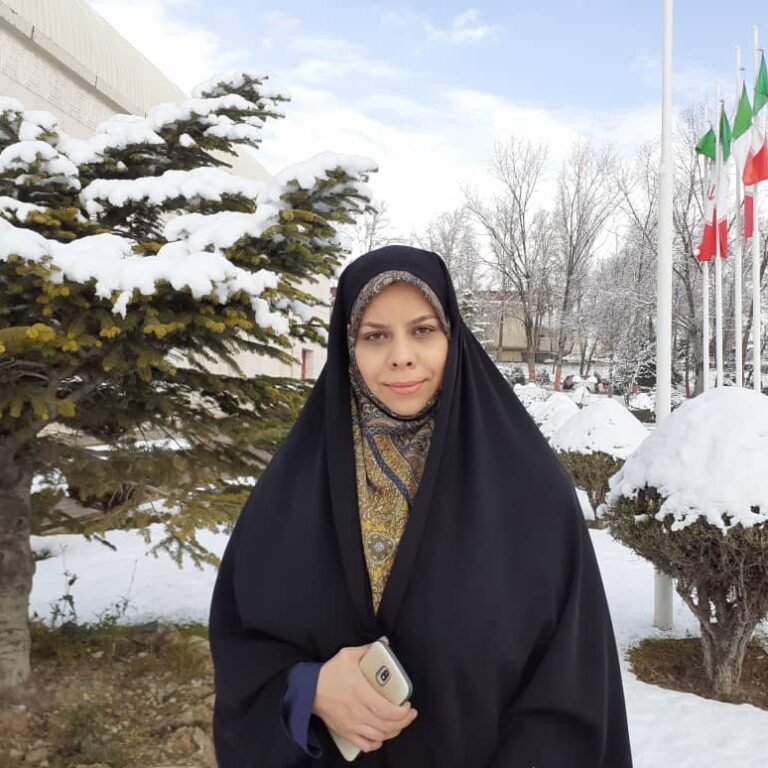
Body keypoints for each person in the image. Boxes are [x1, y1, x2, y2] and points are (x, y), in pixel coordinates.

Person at [208, 245, 633, 767]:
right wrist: (308, 689)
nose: (401, 355)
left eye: (423, 330)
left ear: (453, 337)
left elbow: (571, 686)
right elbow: (242, 651)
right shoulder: (292, 492)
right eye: (375, 335)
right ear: (347, 346)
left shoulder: (530, 492)